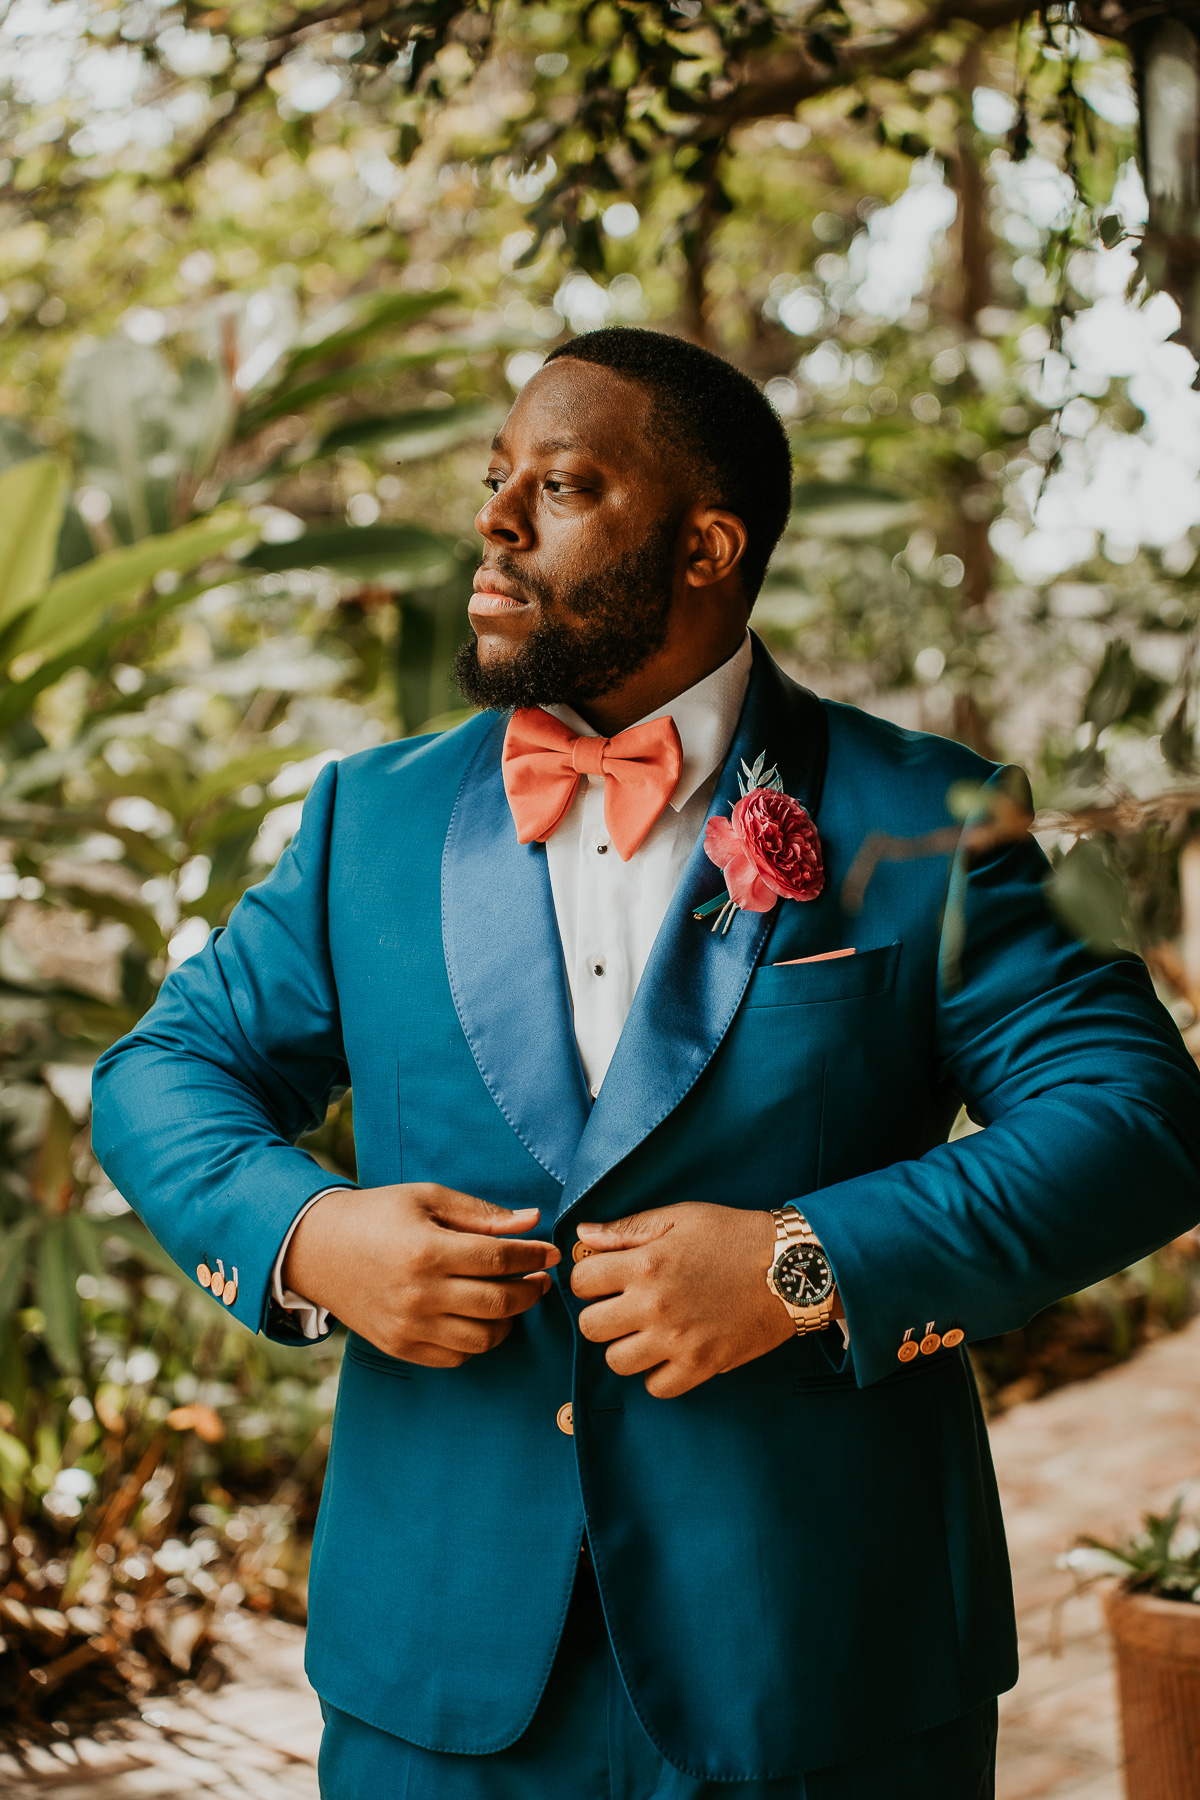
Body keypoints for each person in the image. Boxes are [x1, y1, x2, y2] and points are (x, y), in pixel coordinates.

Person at [91, 327, 1200, 1800]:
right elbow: (160, 1074)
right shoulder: (371, 821)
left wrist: (806, 1263)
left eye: (555, 485)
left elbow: (1137, 1120)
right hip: (442, 1681)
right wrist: (305, 1231)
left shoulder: (935, 814)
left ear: (705, 545)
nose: (490, 519)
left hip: (824, 1665)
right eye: (497, 477)